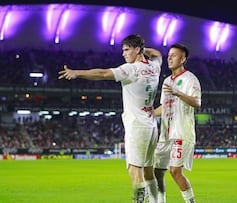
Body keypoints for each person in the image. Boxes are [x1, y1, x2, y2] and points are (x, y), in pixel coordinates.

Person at [58, 34, 162, 203]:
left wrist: (77, 73)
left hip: (137, 127)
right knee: (149, 172)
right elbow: (158, 54)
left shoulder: (131, 69)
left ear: (137, 50)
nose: (123, 54)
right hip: (151, 127)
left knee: (135, 171)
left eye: (127, 50)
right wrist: (143, 50)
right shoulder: (154, 67)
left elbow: (103, 73)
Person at [153, 43, 201, 203]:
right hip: (165, 135)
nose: (169, 57)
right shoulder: (166, 81)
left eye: (174, 55)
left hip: (182, 133)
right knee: (157, 171)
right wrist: (149, 113)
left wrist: (178, 93)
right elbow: (164, 107)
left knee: (175, 171)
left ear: (183, 59)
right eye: (169, 55)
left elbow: (197, 102)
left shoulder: (190, 79)